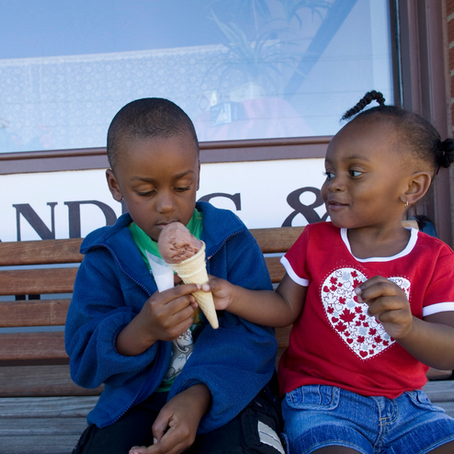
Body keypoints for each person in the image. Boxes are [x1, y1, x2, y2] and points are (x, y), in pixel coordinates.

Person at [206, 91, 454, 453]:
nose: (333, 184)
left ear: (412, 187)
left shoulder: (434, 258)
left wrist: (409, 327)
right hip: (321, 402)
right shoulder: (317, 241)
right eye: (329, 172)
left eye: (354, 172)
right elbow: (284, 308)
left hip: (409, 408)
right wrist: (232, 295)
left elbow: (448, 353)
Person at [65, 98, 284, 454]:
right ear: (115, 185)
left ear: (198, 173)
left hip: (225, 392)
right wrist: (141, 331)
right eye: (146, 192)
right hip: (137, 400)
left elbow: (254, 338)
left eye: (182, 187)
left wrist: (197, 397)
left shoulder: (229, 240)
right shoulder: (105, 259)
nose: (166, 205)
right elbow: (85, 362)